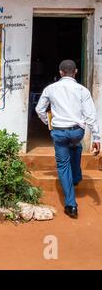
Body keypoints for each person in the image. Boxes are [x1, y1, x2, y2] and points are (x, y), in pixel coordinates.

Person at [35, 59, 100, 218]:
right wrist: (97, 138)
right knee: (76, 145)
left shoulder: (50, 89)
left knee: (63, 166)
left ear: (61, 72)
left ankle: (71, 206)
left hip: (59, 132)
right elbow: (91, 116)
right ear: (75, 72)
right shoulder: (82, 90)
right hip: (77, 132)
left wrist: (49, 123)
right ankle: (77, 176)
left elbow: (39, 109)